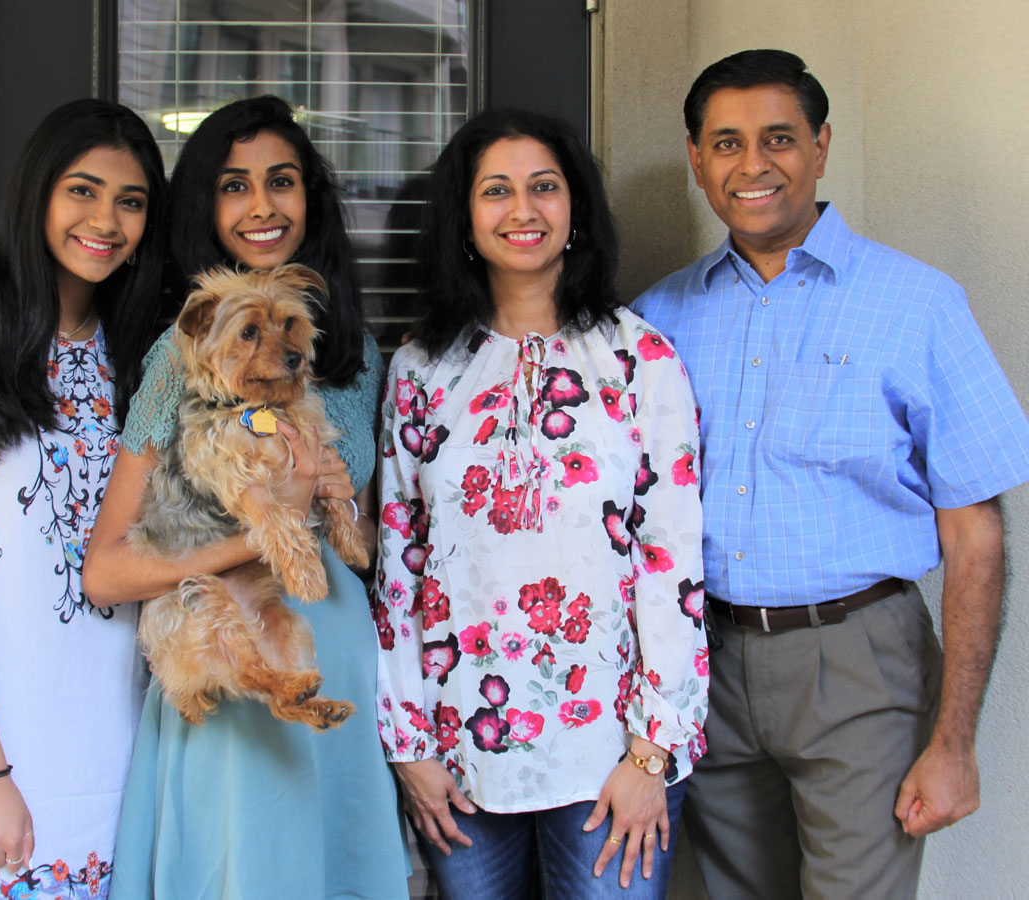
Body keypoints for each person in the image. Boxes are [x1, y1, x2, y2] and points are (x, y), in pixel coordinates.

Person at [632, 49, 1029, 899]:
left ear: (819, 145)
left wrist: (954, 743)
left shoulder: (917, 302)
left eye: (778, 138)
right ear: (698, 161)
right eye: (727, 143)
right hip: (703, 663)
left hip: (860, 661)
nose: (754, 164)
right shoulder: (656, 319)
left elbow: (975, 533)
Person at [374, 108, 708, 899]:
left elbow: (673, 565)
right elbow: (399, 562)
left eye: (544, 188)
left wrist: (650, 753)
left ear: (575, 211)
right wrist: (409, 744)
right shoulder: (423, 368)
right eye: (497, 191)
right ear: (464, 216)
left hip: (610, 753)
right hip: (460, 747)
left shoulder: (640, 358)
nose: (522, 211)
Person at [82, 95, 409, 900]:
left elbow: (359, 529)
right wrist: (260, 537)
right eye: (234, 185)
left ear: (312, 200)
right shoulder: (179, 355)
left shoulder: (358, 355)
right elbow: (108, 569)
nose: (262, 205)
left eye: (282, 181)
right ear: (207, 206)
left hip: (337, 657)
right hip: (231, 655)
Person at [0, 99, 168, 898]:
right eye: (82, 190)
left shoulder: (142, 354)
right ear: (38, 192)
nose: (106, 220)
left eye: (131, 201)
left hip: (113, 727)